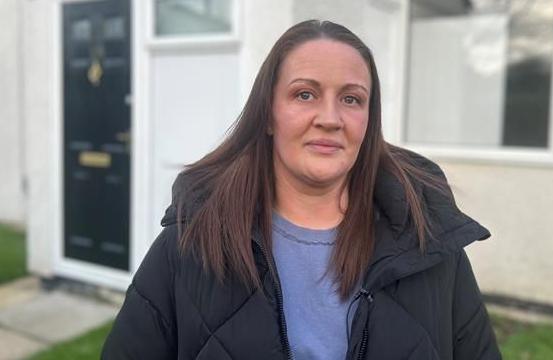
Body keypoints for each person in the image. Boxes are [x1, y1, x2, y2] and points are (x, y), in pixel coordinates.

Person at [102, 20, 501, 359]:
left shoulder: (426, 242)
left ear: (368, 121)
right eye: (304, 94)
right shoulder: (192, 241)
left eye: (351, 99)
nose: (330, 118)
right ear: (269, 115)